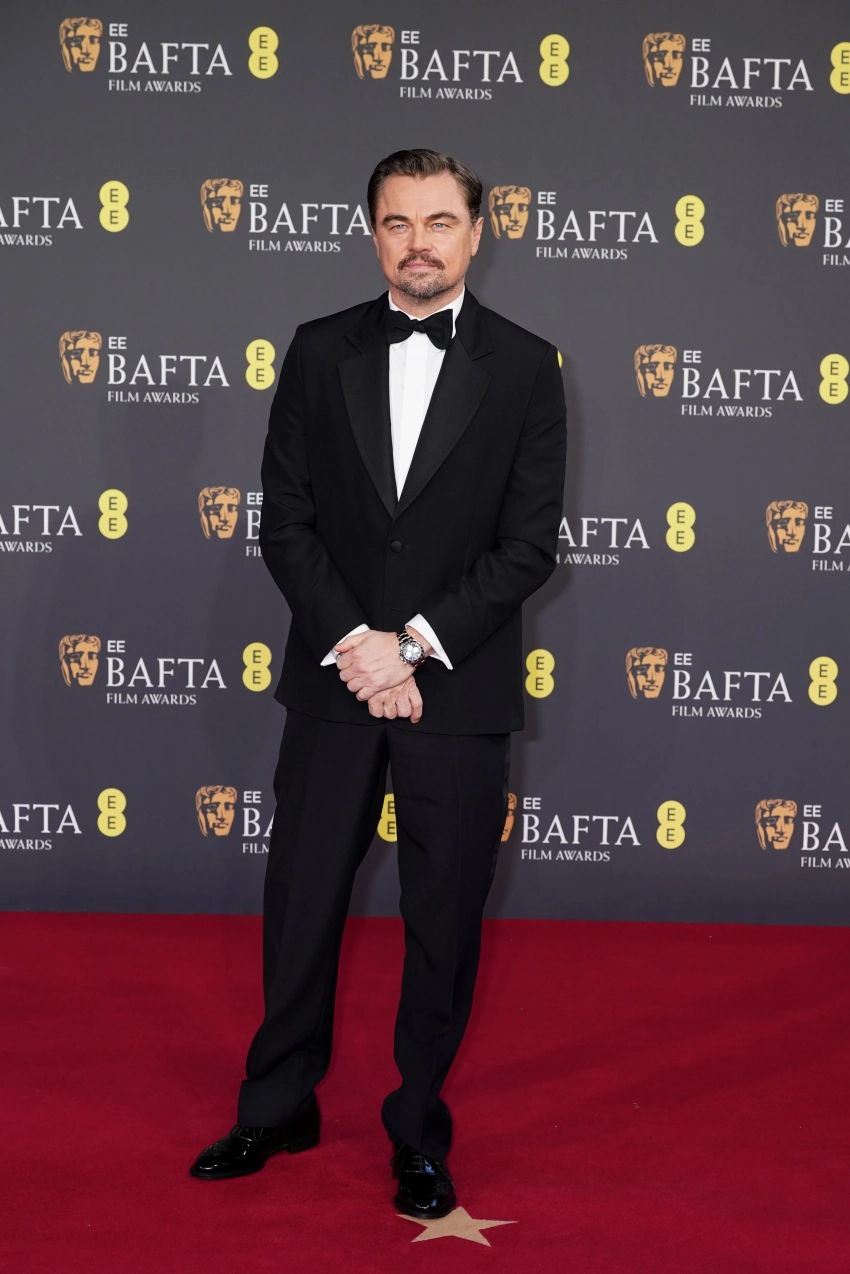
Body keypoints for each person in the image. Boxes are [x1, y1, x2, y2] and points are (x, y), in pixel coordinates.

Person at [190, 148, 567, 1218]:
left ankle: (417, 1131)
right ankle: (278, 1103)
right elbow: (287, 519)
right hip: (333, 682)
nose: (418, 243)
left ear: (477, 233)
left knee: (443, 920)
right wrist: (359, 643)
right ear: (372, 233)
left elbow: (527, 547)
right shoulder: (319, 350)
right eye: (397, 222)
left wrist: (411, 647)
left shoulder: (527, 366)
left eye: (439, 222)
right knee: (302, 901)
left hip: (456, 688)